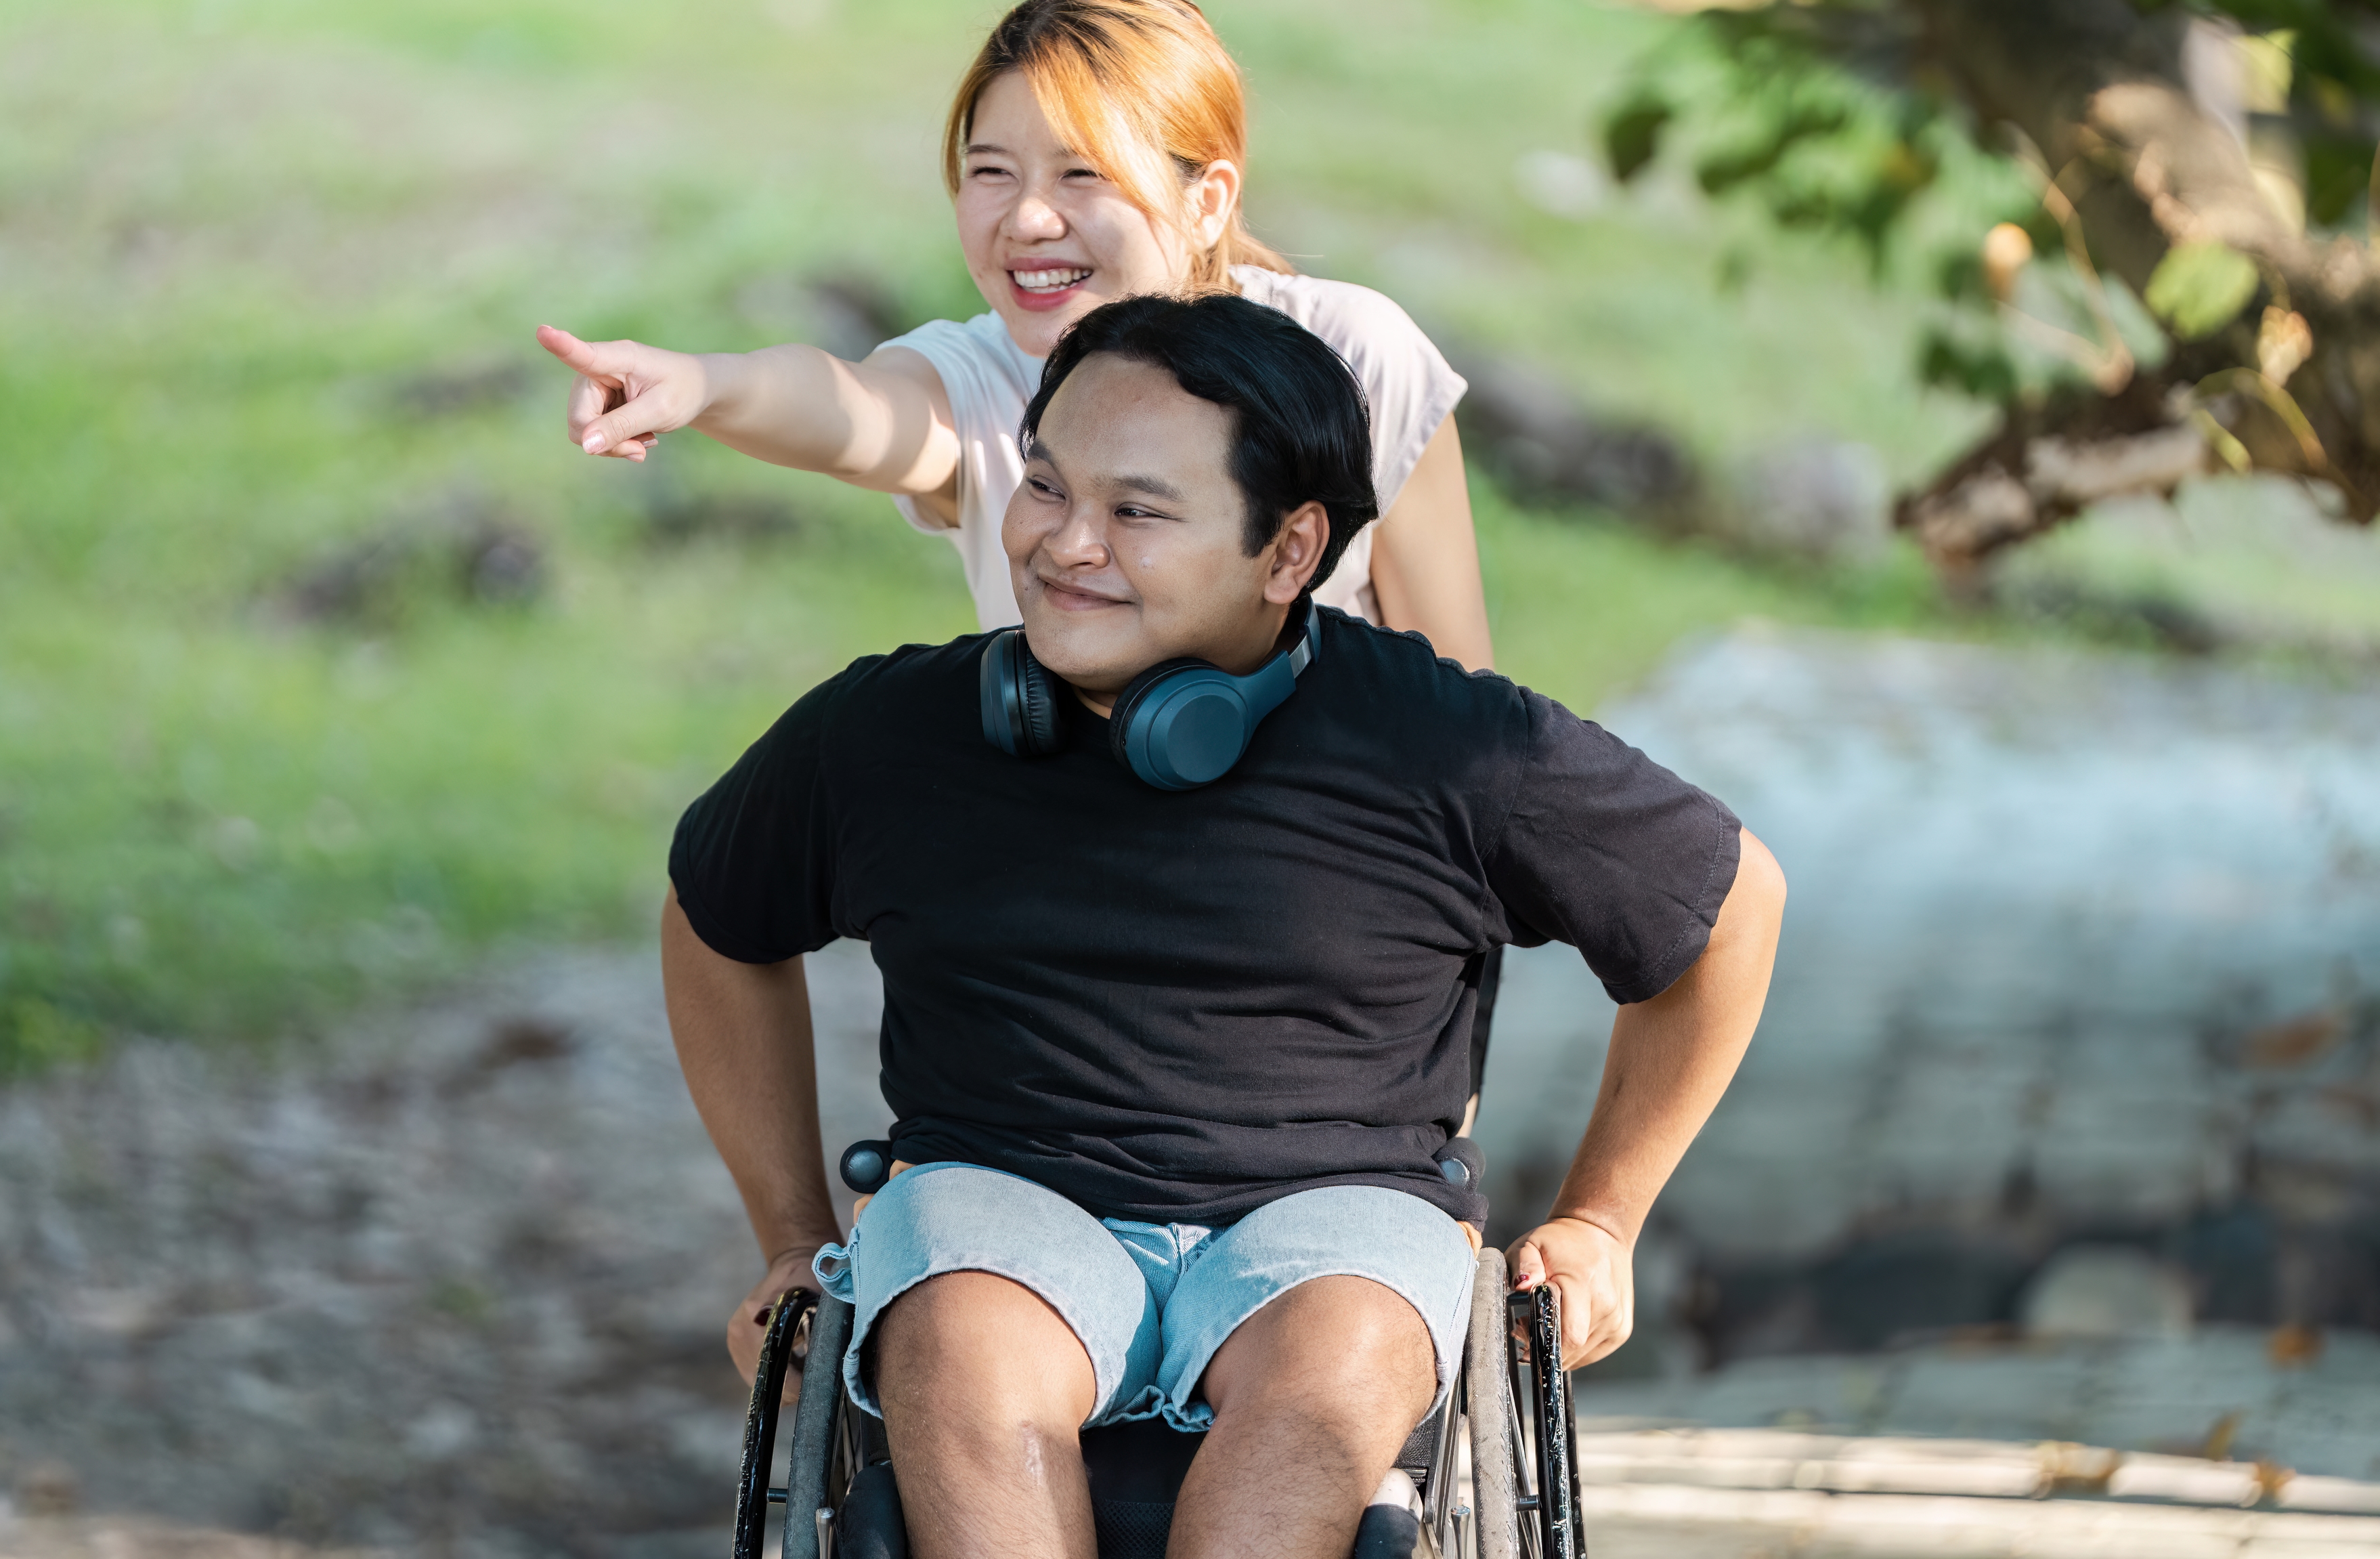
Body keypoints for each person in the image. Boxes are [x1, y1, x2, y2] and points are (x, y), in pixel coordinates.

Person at [664, 293, 1785, 1557]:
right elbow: (714, 923)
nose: (1066, 544)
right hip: (1001, 1204)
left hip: (1337, 1224)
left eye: (1137, 512)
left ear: (1289, 551)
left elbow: (1732, 907)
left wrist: (1603, 1222)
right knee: (959, 1344)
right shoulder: (886, 734)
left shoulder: (1447, 744)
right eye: (1046, 487)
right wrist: (791, 1237)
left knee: (1334, 1373)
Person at [537, 0, 1495, 671]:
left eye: (1082, 173)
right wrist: (705, 385)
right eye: (992, 171)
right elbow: (851, 410)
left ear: (1206, 201)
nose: (1028, 219)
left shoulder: (1359, 357)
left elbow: (1470, 719)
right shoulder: (985, 379)